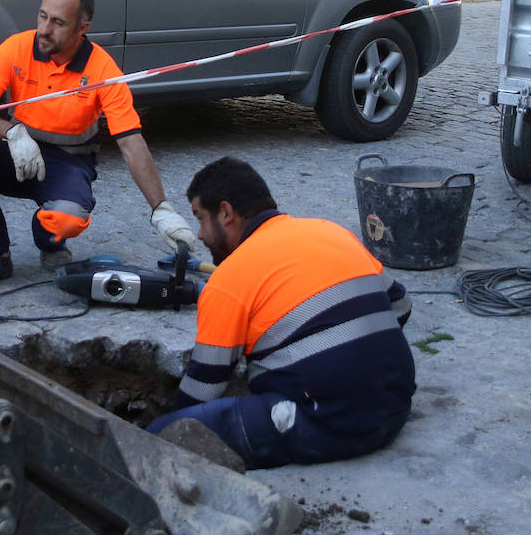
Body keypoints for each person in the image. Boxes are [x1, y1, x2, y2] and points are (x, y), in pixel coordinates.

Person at [147, 156, 415, 469]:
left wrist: (172, 420)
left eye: (201, 218)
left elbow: (203, 390)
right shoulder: (331, 232)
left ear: (225, 213)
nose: (202, 234)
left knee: (162, 436)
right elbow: (400, 305)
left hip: (325, 423)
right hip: (395, 406)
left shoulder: (230, 277)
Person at [0, 0, 197, 292]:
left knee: (68, 217)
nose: (45, 29)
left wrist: (161, 209)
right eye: (43, 16)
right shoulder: (18, 48)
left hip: (67, 162)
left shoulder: (103, 71)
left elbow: (131, 142)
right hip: (17, 151)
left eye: (59, 22)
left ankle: (49, 243)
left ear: (82, 28)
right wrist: (12, 133)